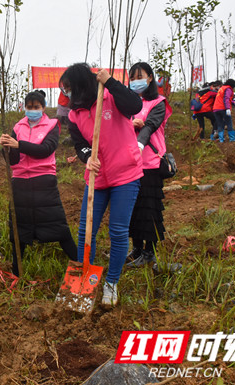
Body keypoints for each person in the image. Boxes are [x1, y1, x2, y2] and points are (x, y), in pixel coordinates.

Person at [60, 63, 143, 307]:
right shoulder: (75, 114)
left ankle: (111, 283)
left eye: (71, 88)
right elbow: (80, 145)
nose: (69, 94)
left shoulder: (109, 96)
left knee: (118, 231)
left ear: (82, 84)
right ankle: (84, 280)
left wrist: (111, 82)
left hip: (125, 174)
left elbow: (135, 106)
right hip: (97, 178)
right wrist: (87, 158)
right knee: (86, 230)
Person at [0, 91, 78, 277]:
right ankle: (17, 272)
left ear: (43, 107)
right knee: (20, 229)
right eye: (29, 107)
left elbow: (46, 149)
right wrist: (7, 149)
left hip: (43, 181)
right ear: (24, 107)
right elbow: (13, 161)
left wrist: (19, 145)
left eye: (36, 107)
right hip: (20, 183)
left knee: (58, 225)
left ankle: (80, 265)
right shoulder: (18, 127)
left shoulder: (52, 125)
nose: (32, 110)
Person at [125, 62, 172, 267]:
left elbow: (151, 125)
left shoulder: (158, 102)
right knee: (133, 209)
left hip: (150, 163)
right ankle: (136, 249)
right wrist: (130, 123)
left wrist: (139, 144)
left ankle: (150, 252)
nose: (136, 81)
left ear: (150, 78)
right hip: (129, 163)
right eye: (132, 78)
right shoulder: (127, 104)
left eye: (140, 77)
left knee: (149, 208)